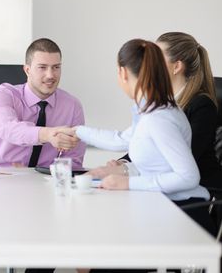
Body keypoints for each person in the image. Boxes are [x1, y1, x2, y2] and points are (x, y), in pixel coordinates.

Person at [66, 39, 214, 236]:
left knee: (91, 237)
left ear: (123, 73)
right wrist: (76, 131)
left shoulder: (158, 118)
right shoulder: (151, 110)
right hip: (162, 206)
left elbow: (188, 177)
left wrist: (126, 182)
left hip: (180, 214)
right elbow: (121, 139)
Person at [0, 38, 85, 169]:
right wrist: (48, 134)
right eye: (42, 67)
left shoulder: (72, 105)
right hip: (3, 177)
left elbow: (73, 162)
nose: (50, 75)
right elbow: (8, 128)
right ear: (27, 70)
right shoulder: (3, 95)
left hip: (47, 181)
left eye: (56, 67)